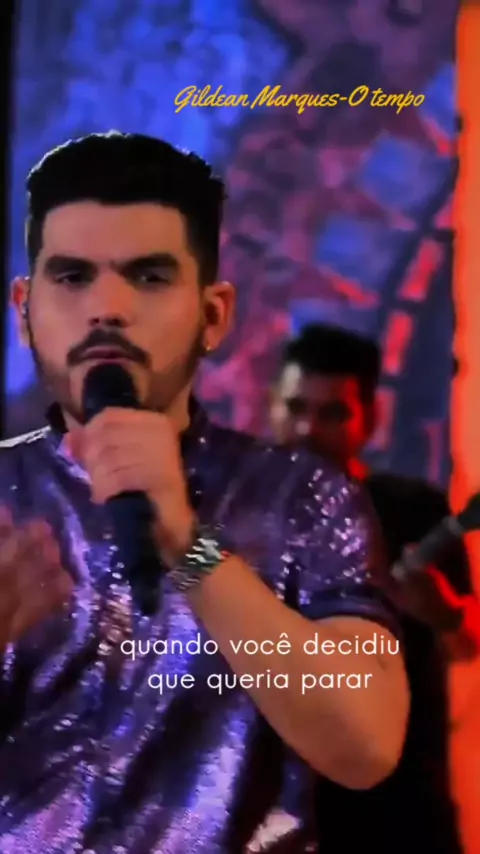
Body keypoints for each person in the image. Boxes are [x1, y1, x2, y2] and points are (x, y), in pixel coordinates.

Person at [0, 134, 408, 853]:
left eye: (149, 277)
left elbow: (366, 745)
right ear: (25, 308)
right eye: (72, 277)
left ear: (213, 315)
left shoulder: (302, 499)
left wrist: (189, 544)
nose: (107, 309)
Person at [270, 323, 480, 853]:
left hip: (398, 813)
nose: (308, 429)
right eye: (295, 407)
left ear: (371, 419)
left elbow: (469, 643)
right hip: (270, 813)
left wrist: (442, 610)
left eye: (332, 413)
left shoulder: (412, 510)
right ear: (272, 405)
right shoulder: (235, 514)